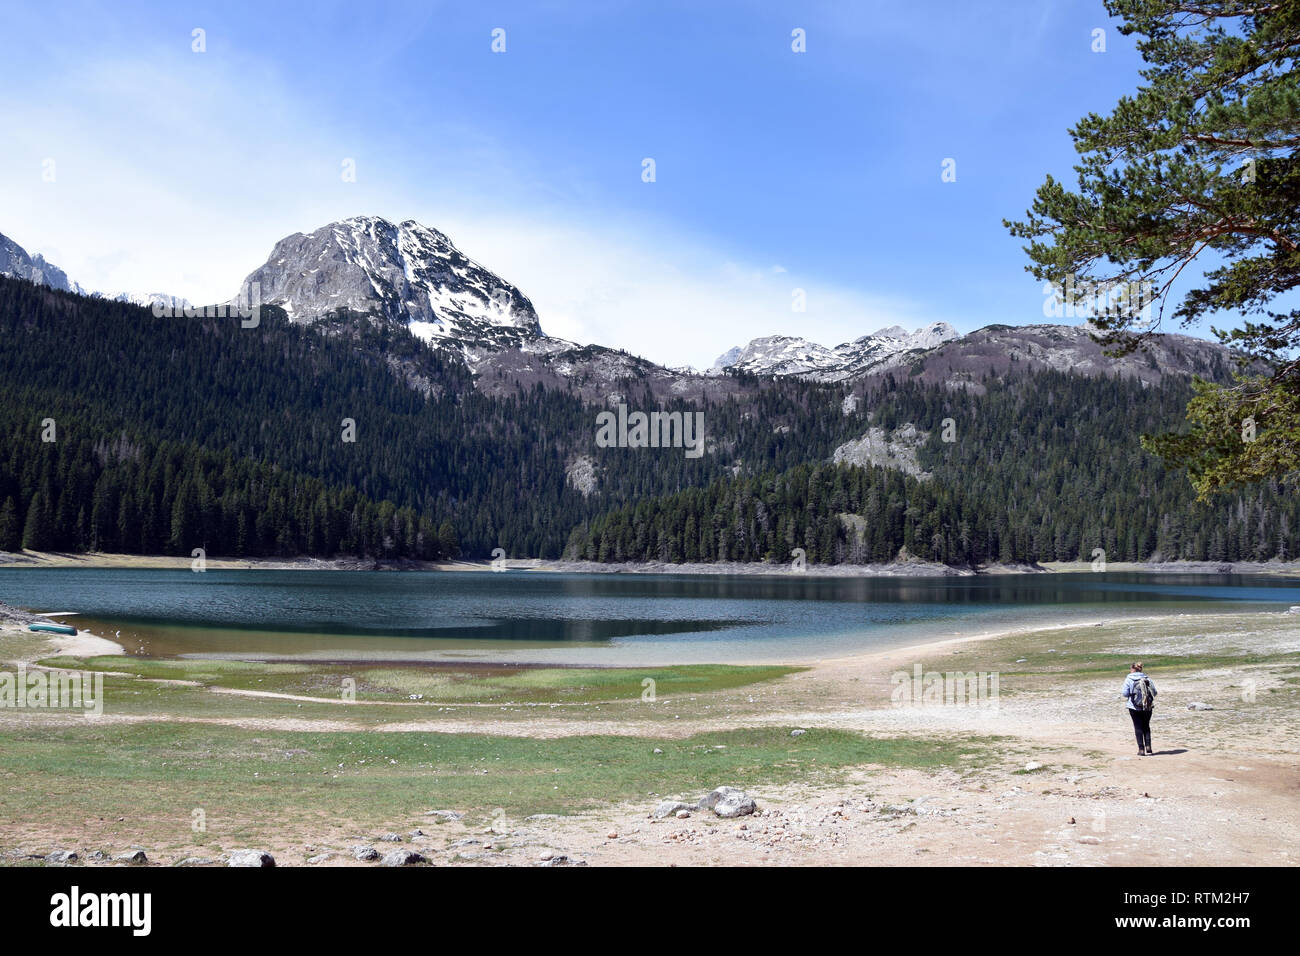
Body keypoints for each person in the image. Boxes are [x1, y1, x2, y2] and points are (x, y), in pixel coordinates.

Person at [1121, 662, 1156, 755]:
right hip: (1147, 706)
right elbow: (1154, 692)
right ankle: (1148, 746)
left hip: (1134, 706)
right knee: (1146, 726)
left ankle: (1141, 749)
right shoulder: (1147, 678)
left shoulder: (1129, 679)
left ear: (1132, 669)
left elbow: (1124, 693)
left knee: (1138, 727)